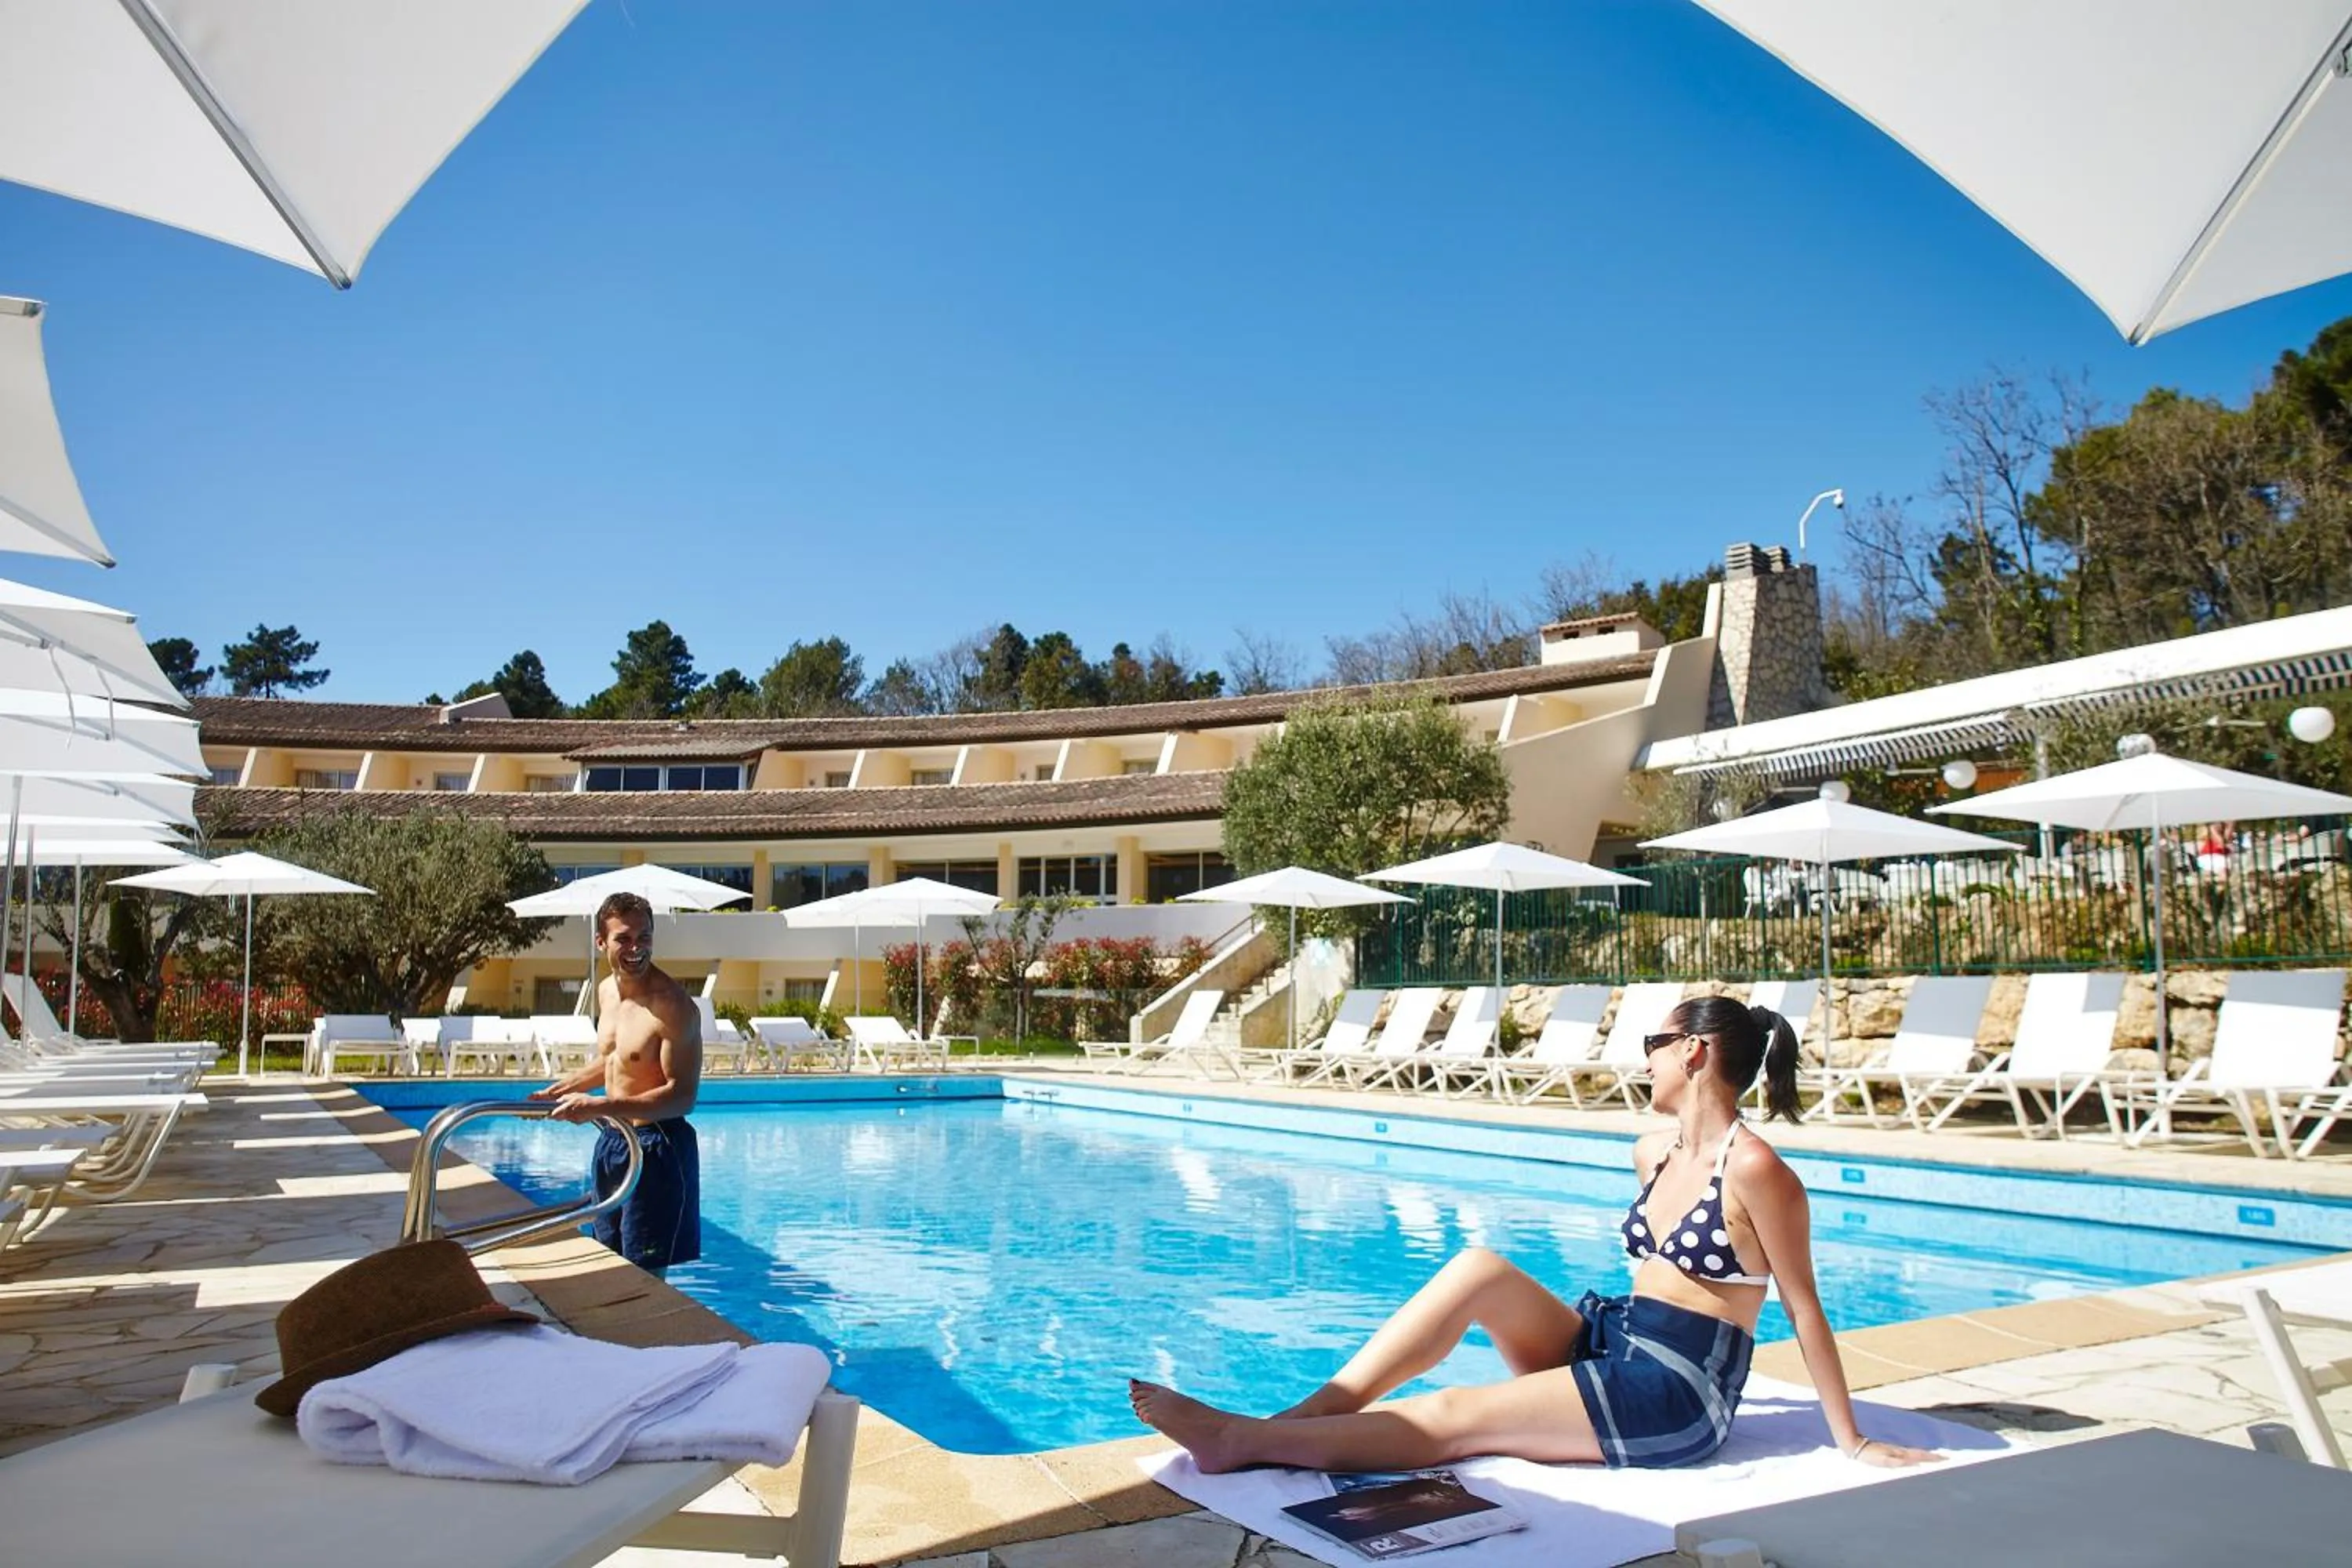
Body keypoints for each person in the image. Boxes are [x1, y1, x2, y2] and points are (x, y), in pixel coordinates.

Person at [1128, 995, 1940, 1474]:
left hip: (1676, 1394)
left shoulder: (1758, 1169)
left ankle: (1242, 1441)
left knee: (1455, 1411)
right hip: (1616, 1343)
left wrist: (1854, 1437)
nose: (1644, 1060)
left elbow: (1803, 1309)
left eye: (1653, 1045)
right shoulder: (1651, 1150)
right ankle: (1298, 1417)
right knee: (1477, 1265)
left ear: (1694, 1051)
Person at [528, 891, 703, 1278]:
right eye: (624, 938)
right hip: (614, 1142)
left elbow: (683, 1096)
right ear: (601, 942)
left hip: (658, 1147)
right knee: (608, 1260)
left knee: (646, 1273)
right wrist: (559, 1090)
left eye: (644, 937)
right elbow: (615, 1061)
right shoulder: (607, 991)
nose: (636, 948)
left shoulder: (673, 1006)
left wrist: (599, 1107)